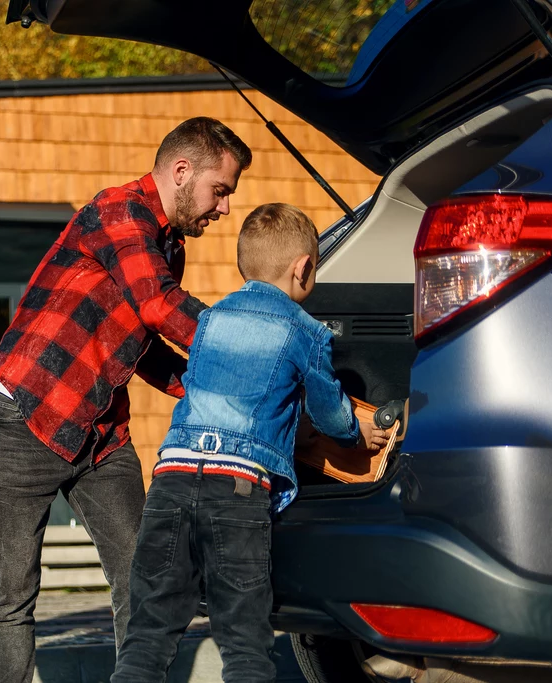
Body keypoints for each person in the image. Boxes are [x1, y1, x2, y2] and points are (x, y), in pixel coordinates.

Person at [0, 116, 253, 682]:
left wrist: (202, 384)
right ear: (182, 171)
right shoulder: (118, 214)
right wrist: (251, 344)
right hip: (26, 414)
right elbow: (159, 306)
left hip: (101, 432)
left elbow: (145, 343)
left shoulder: (168, 246)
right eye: (220, 191)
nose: (224, 208)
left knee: (143, 575)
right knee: (14, 593)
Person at [111, 203, 390, 683]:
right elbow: (329, 412)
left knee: (148, 636)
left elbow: (221, 391)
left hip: (171, 483)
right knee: (244, 645)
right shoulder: (304, 330)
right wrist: (357, 430)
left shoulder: (213, 319)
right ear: (303, 267)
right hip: (236, 494)